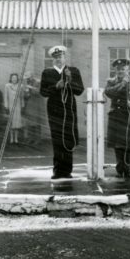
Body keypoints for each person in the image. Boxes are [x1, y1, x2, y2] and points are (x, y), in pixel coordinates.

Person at [40, 45, 84, 180]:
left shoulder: (73, 71)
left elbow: (79, 90)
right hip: (54, 110)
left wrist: (70, 81)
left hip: (69, 109)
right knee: (57, 139)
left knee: (69, 138)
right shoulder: (47, 72)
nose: (59, 59)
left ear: (65, 57)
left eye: (61, 56)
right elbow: (43, 92)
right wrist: (55, 86)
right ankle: (58, 171)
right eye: (56, 57)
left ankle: (68, 171)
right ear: (52, 59)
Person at [105, 58, 130, 178]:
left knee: (128, 144)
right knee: (118, 145)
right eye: (118, 69)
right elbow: (109, 92)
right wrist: (122, 84)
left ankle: (127, 169)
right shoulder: (111, 81)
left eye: (123, 69)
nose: (120, 71)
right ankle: (119, 169)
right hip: (115, 116)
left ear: (127, 69)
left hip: (128, 115)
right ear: (115, 70)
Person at [23, 72, 44, 145]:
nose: (28, 78)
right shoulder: (27, 84)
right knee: (30, 123)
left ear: (32, 76)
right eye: (27, 77)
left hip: (36, 106)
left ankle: (38, 139)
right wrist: (26, 91)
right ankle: (31, 138)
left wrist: (30, 87)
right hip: (30, 106)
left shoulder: (38, 82)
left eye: (29, 76)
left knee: (37, 123)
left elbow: (37, 92)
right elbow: (25, 95)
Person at [4, 73, 24, 145]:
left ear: (17, 78)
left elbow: (22, 97)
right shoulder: (7, 86)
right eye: (13, 78)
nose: (14, 79)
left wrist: (22, 105)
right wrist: (6, 105)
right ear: (11, 78)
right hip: (10, 106)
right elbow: (6, 96)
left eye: (15, 78)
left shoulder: (20, 86)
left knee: (17, 124)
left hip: (18, 107)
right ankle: (11, 138)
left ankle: (16, 138)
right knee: (11, 123)